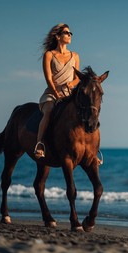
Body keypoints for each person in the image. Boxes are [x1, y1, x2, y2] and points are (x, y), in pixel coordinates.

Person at [34, 23, 80, 158]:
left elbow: (77, 78)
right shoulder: (49, 55)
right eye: (67, 33)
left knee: (85, 112)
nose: (70, 35)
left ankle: (91, 149)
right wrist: (56, 94)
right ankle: (40, 143)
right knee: (49, 111)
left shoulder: (75, 56)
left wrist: (71, 84)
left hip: (69, 94)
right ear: (58, 36)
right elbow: (48, 78)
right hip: (51, 94)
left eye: (70, 33)